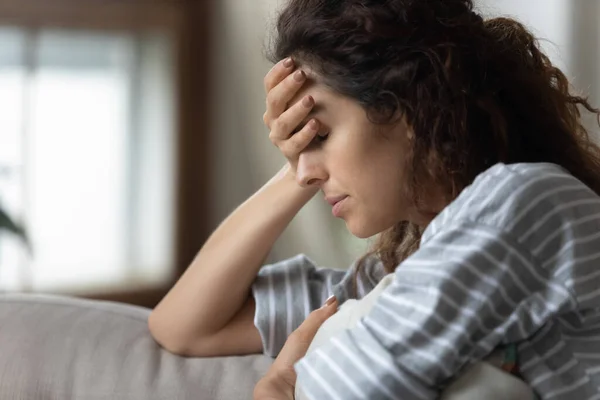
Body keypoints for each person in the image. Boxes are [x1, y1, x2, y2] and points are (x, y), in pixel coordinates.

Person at [148, 0, 600, 398]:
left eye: (319, 133)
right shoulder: (395, 279)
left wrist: (282, 385)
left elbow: (354, 390)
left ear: (409, 108)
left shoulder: (527, 204)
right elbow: (185, 326)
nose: (307, 170)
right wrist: (294, 172)